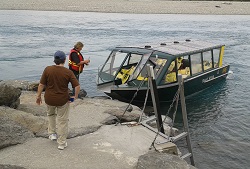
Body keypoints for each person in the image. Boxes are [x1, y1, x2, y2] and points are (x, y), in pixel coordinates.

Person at [36, 50, 80, 150]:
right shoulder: (68, 72)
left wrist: (38, 96)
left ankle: (52, 134)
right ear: (64, 60)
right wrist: (75, 96)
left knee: (51, 115)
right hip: (62, 100)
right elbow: (77, 86)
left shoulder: (47, 69)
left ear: (54, 60)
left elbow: (41, 84)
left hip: (49, 99)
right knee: (62, 120)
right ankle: (61, 143)